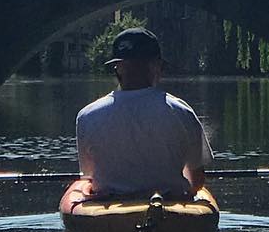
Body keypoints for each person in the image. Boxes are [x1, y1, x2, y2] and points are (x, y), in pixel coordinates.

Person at [75, 27, 213, 198]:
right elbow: (197, 181)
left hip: (109, 211)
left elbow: (88, 176)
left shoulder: (87, 115)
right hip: (170, 207)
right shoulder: (181, 111)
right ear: (156, 66)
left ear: (117, 68)